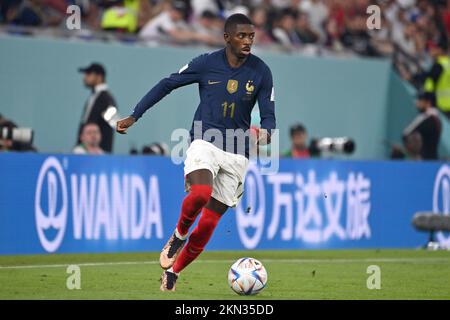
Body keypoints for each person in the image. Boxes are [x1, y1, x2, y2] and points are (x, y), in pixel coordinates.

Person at [116, 13, 276, 292]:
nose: (248, 41)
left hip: (238, 153)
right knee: (200, 193)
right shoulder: (206, 63)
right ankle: (178, 236)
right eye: (241, 36)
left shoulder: (261, 71)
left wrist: (263, 134)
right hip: (205, 140)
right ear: (227, 38)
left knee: (208, 225)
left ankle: (174, 272)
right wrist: (135, 115)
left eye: (251, 36)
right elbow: (168, 83)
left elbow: (269, 118)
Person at [77, 62, 117, 153]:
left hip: (98, 153)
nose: (85, 78)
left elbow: (113, 124)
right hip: (85, 150)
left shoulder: (107, 99)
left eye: (89, 74)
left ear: (99, 77)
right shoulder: (93, 96)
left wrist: (102, 150)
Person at [403, 91, 442, 160]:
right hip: (433, 160)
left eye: (420, 100)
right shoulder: (437, 119)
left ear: (428, 103)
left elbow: (406, 134)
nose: (417, 103)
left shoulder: (425, 117)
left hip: (422, 162)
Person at [423, 39, 450, 119]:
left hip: (439, 104)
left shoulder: (439, 64)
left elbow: (430, 82)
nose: (434, 50)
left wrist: (426, 98)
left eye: (436, 48)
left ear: (440, 50)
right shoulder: (448, 64)